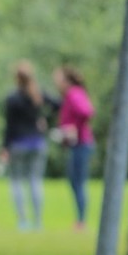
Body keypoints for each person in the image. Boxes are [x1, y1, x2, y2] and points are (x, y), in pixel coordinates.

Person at [0, 60, 49, 231]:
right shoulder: (38, 94)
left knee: (17, 182)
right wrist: (45, 121)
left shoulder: (13, 98)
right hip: (37, 142)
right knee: (36, 181)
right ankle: (38, 220)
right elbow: (58, 104)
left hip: (18, 144)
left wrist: (5, 147)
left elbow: (10, 126)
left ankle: (22, 220)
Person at [53, 64, 95, 230]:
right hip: (78, 143)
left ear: (66, 80)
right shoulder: (73, 94)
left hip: (81, 143)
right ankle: (80, 219)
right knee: (75, 181)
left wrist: (74, 128)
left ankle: (81, 220)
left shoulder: (73, 93)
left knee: (77, 181)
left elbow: (87, 112)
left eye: (58, 79)